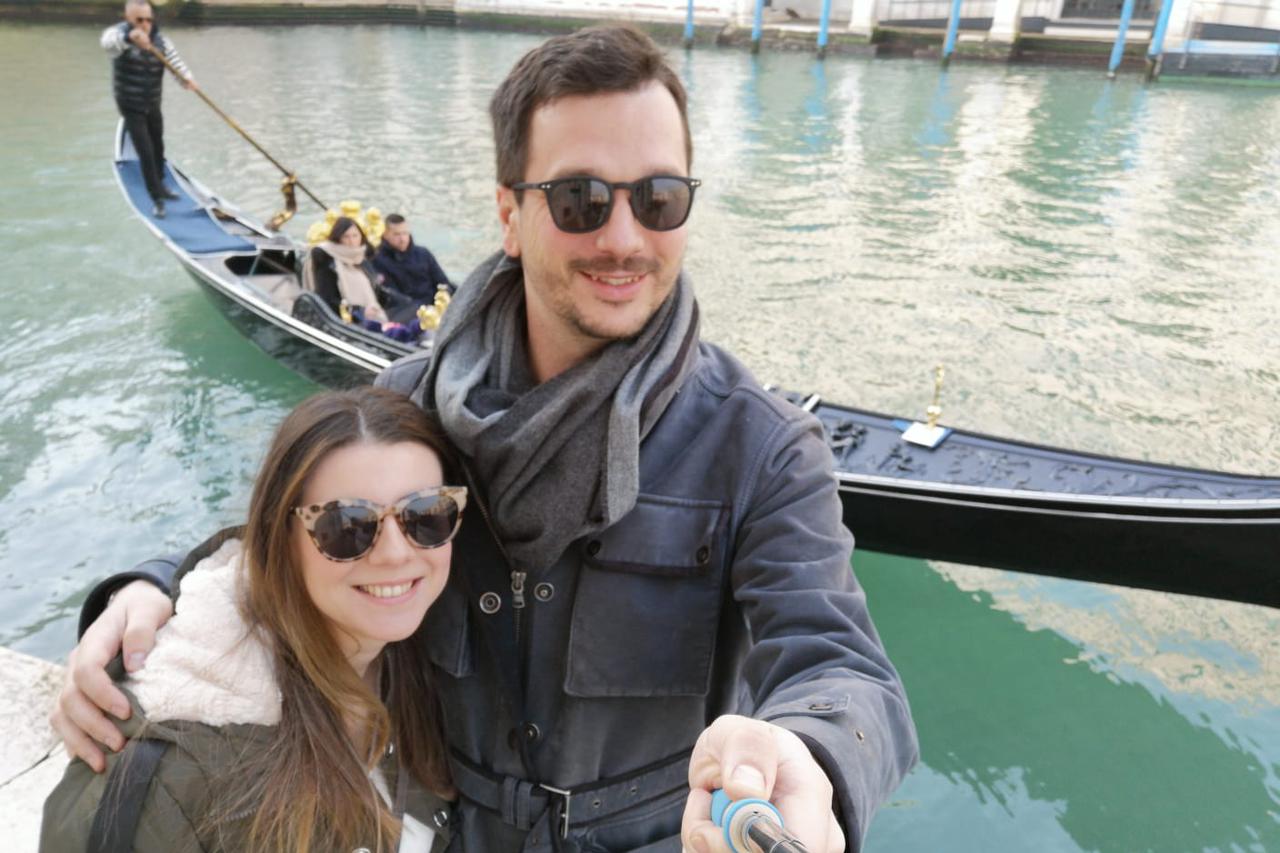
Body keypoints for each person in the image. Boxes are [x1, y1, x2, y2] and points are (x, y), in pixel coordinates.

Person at [53, 25, 919, 853]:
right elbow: (297, 533)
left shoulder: (762, 447)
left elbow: (841, 665)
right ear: (510, 213)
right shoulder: (410, 407)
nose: (624, 238)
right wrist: (151, 586)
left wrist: (808, 756)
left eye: (658, 198)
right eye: (580, 200)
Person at [41, 387, 463, 852]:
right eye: (347, 526)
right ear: (279, 539)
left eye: (428, 514)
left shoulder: (424, 659)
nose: (396, 554)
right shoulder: (177, 761)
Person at [100, 0, 197, 220]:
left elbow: (176, 64)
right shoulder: (117, 36)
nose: (145, 24)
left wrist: (186, 79)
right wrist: (129, 37)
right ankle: (156, 199)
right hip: (130, 104)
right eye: (139, 20)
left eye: (148, 20)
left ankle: (161, 184)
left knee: (157, 145)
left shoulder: (161, 41)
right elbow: (107, 43)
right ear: (128, 19)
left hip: (152, 101)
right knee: (144, 151)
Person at [307, 216, 420, 327]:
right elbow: (327, 299)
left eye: (355, 236)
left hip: (374, 311)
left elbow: (376, 290)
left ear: (361, 237)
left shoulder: (362, 260)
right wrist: (360, 311)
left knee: (414, 308)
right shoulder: (328, 262)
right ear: (338, 239)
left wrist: (402, 300)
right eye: (346, 237)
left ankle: (390, 327)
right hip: (349, 319)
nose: (352, 241)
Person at [373, 213, 453, 301]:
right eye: (397, 234)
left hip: (435, 301)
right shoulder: (378, 260)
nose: (402, 239)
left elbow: (443, 282)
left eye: (405, 233)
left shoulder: (423, 254)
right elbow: (392, 296)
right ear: (385, 235)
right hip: (406, 306)